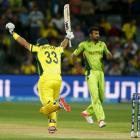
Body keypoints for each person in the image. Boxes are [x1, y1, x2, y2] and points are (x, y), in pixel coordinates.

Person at [5, 22, 74, 133]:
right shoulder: (56, 49)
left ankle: (60, 104)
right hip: (58, 80)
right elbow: (63, 45)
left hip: (45, 80)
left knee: (45, 109)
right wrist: (67, 36)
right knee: (53, 106)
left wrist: (13, 33)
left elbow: (24, 43)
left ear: (39, 44)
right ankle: (52, 126)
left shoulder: (39, 49)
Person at [72, 26, 112, 128]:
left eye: (98, 34)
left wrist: (109, 55)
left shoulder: (102, 44)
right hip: (90, 73)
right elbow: (73, 56)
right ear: (90, 35)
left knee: (101, 98)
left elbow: (108, 54)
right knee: (95, 98)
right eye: (95, 34)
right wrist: (77, 67)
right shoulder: (84, 45)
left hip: (101, 73)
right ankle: (101, 120)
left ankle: (87, 112)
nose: (97, 35)